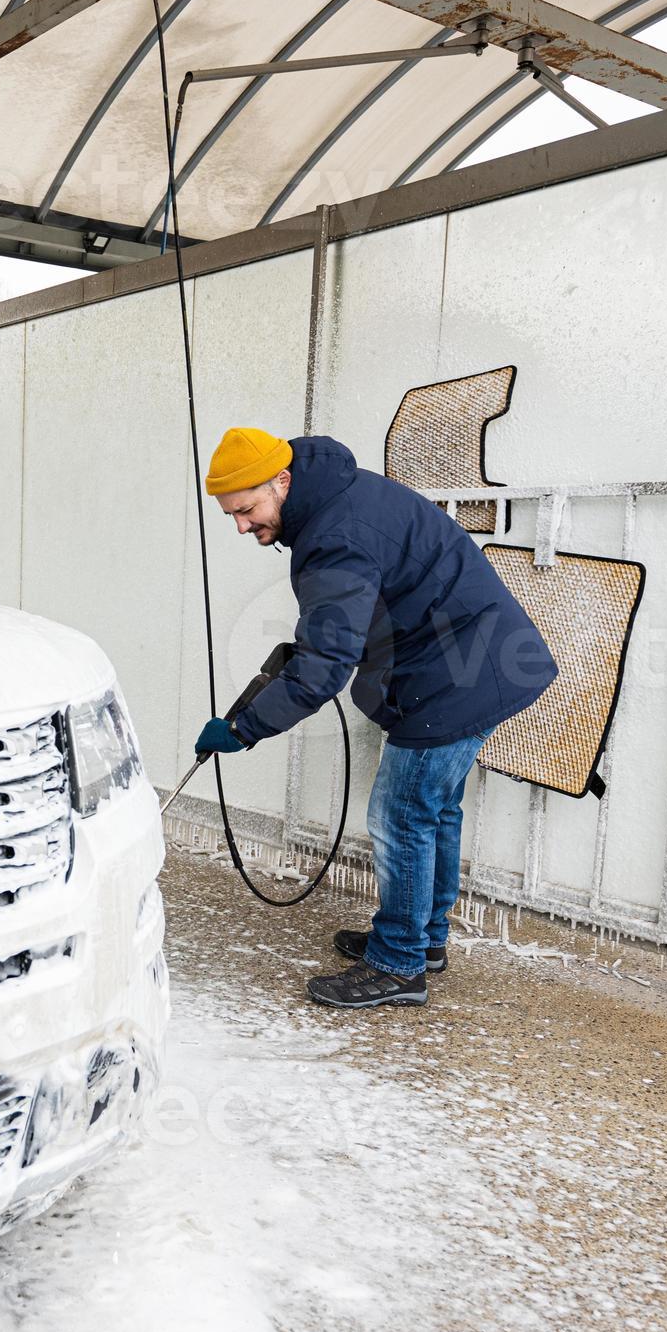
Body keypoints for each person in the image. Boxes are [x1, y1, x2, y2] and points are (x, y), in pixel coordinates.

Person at [192, 425, 556, 1009]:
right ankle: (423, 940)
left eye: (248, 509)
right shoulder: (336, 497)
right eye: (231, 514)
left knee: (403, 814)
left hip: (458, 675)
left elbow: (325, 664)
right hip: (474, 661)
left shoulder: (335, 536)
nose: (241, 526)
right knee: (433, 808)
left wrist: (243, 727)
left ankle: (398, 963)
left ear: (282, 482)